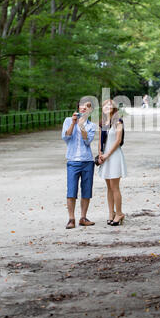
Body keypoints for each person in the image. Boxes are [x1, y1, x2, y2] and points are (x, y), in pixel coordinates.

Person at [62, 98, 96, 229]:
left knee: (86, 190)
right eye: (82, 106)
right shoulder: (67, 120)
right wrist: (73, 123)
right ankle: (71, 219)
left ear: (90, 110)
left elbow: (87, 142)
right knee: (71, 191)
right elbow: (66, 137)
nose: (83, 108)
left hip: (87, 161)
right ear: (78, 108)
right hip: (72, 161)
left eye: (87, 107)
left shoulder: (91, 126)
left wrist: (81, 125)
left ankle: (83, 217)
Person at [98, 99, 127, 226]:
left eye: (110, 105)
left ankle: (119, 213)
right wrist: (100, 154)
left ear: (114, 107)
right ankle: (111, 213)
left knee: (115, 187)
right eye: (105, 105)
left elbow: (118, 141)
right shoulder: (102, 123)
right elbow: (100, 141)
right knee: (109, 187)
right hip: (105, 157)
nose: (108, 106)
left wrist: (107, 155)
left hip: (114, 156)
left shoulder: (118, 121)